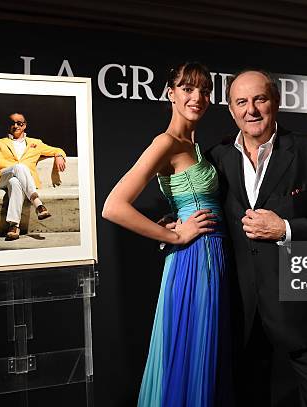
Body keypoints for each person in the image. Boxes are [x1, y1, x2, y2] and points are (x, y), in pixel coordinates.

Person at [205, 70, 307, 406]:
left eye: (260, 99)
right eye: (241, 102)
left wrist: (285, 229)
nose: (251, 110)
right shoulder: (217, 158)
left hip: (304, 312)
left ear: (276, 102)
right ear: (230, 109)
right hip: (244, 314)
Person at [102, 62, 232, 406]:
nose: (198, 97)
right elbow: (114, 206)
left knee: (206, 354)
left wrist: (170, 220)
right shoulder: (167, 142)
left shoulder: (196, 145)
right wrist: (173, 235)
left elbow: (186, 194)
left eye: (204, 90)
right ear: (170, 94)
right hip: (192, 261)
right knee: (190, 352)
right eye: (188, 89)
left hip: (212, 258)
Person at [0, 113, 67, 240]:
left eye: (19, 123)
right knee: (19, 167)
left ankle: (14, 226)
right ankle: (38, 204)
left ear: (24, 125)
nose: (16, 126)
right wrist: (18, 166)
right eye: (12, 123)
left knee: (15, 182)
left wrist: (58, 156)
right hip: (1, 177)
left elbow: (57, 150)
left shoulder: (35, 143)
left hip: (19, 181)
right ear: (8, 126)